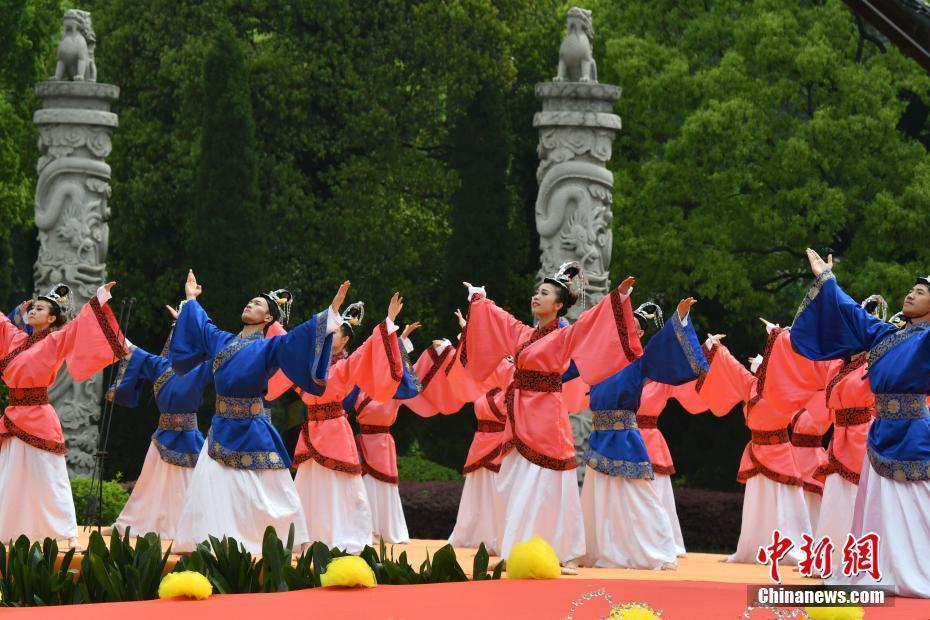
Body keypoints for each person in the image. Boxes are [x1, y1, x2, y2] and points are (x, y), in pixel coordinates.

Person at [459, 262, 642, 563]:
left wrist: (618, 298)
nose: (536, 297)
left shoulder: (563, 335)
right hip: (519, 416)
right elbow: (498, 318)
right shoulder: (521, 333)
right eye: (536, 292)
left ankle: (558, 551)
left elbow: (590, 322)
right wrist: (479, 297)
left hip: (546, 417)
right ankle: (515, 549)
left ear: (558, 305)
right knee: (512, 481)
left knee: (546, 483)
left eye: (543, 294)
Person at [168, 270, 345, 554]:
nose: (250, 304)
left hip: (252, 425)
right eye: (249, 302)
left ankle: (273, 539)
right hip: (220, 425)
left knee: (269, 492)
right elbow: (201, 325)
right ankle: (214, 542)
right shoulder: (222, 341)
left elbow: (297, 339)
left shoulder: (269, 346)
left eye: (258, 304)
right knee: (212, 486)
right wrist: (190, 298)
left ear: (267, 320)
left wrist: (330, 316)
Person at [790, 249, 930, 597]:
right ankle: (878, 568)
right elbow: (852, 314)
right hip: (880, 431)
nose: (911, 294)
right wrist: (827, 280)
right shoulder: (885, 335)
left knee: (918, 506)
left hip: (914, 431)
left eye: (922, 292)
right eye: (911, 289)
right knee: (878, 509)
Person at [579, 297, 707, 569]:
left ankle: (658, 548)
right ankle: (601, 549)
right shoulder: (599, 358)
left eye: (633, 327)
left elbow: (665, 347)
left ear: (639, 333)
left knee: (638, 495)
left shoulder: (641, 361)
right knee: (597, 497)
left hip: (625, 434)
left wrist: (680, 319)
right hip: (599, 434)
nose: (626, 330)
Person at [0, 283, 126, 548]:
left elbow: (82, 325)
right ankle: (8, 530)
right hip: (12, 416)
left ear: (52, 318)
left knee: (50, 478)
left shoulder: (56, 339)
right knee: (9, 476)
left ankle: (68, 534)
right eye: (33, 307)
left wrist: (98, 299)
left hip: (38, 418)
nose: (33, 310)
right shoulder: (15, 337)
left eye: (41, 308)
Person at [291, 296, 408, 553]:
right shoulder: (309, 364)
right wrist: (331, 310)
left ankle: (340, 536)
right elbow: (288, 345)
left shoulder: (346, 364)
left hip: (333, 428)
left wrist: (389, 322)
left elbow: (370, 348)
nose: (326, 338)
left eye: (334, 334)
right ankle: (306, 537)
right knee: (309, 485)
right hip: (311, 428)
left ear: (344, 341)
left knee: (338, 486)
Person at [696, 324, 813, 564]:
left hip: (779, 452)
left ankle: (788, 549)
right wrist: (713, 347)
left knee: (782, 505)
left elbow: (794, 362)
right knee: (757, 505)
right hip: (757, 451)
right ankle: (755, 547)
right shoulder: (750, 384)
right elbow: (729, 365)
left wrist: (780, 337)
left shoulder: (786, 387)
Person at [106, 303, 213, 539]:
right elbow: (125, 346)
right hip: (162, 433)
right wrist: (101, 308)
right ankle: (130, 525)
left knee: (186, 487)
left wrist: (194, 319)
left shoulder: (204, 366)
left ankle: (188, 530)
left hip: (188, 434)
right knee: (148, 487)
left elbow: (225, 350)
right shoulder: (159, 364)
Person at [629, 302, 716, 556]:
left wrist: (706, 352)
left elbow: (686, 379)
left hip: (649, 439)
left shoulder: (659, 369)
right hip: (619, 432)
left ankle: (659, 540)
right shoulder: (614, 364)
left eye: (635, 328)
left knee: (655, 496)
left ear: (643, 334)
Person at [345, 322, 423, 544]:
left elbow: (403, 372)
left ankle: (387, 529)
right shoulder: (358, 387)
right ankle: (366, 530)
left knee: (383, 486)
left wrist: (401, 342)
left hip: (382, 441)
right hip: (361, 442)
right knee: (364, 487)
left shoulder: (394, 388)